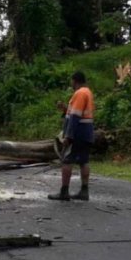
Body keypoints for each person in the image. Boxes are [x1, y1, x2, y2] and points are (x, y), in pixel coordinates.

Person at [49, 71, 95, 201]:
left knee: (67, 160)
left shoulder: (79, 93)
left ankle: (64, 191)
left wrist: (68, 137)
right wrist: (65, 109)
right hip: (87, 131)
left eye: (71, 81)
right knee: (84, 161)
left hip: (78, 132)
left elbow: (75, 117)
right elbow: (78, 113)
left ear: (75, 80)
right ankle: (84, 191)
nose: (71, 84)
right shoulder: (88, 92)